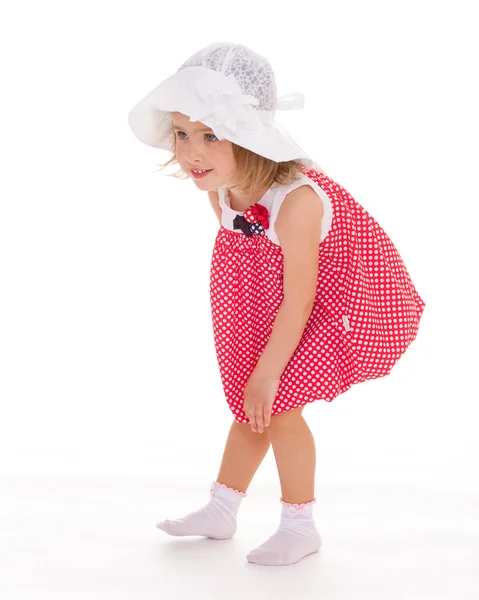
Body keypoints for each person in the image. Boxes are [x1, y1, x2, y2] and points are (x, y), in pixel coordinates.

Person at [128, 42, 426, 567]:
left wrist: (269, 369)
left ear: (249, 137)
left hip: (330, 304)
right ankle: (223, 507)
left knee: (280, 406)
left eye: (210, 135)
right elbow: (245, 253)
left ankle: (300, 524)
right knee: (252, 403)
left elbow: (302, 295)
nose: (190, 152)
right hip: (262, 299)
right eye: (181, 134)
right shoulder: (218, 188)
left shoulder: (297, 202)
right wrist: (253, 358)